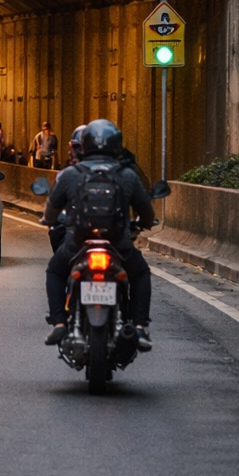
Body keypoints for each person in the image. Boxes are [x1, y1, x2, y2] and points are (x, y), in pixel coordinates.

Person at [39, 119, 156, 351]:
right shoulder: (127, 175)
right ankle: (140, 327)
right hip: (118, 243)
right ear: (117, 145)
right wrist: (145, 223)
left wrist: (48, 221)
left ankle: (59, 323)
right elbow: (146, 210)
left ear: (85, 145)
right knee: (141, 273)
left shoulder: (71, 174)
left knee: (55, 271)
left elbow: (52, 208)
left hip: (78, 242)